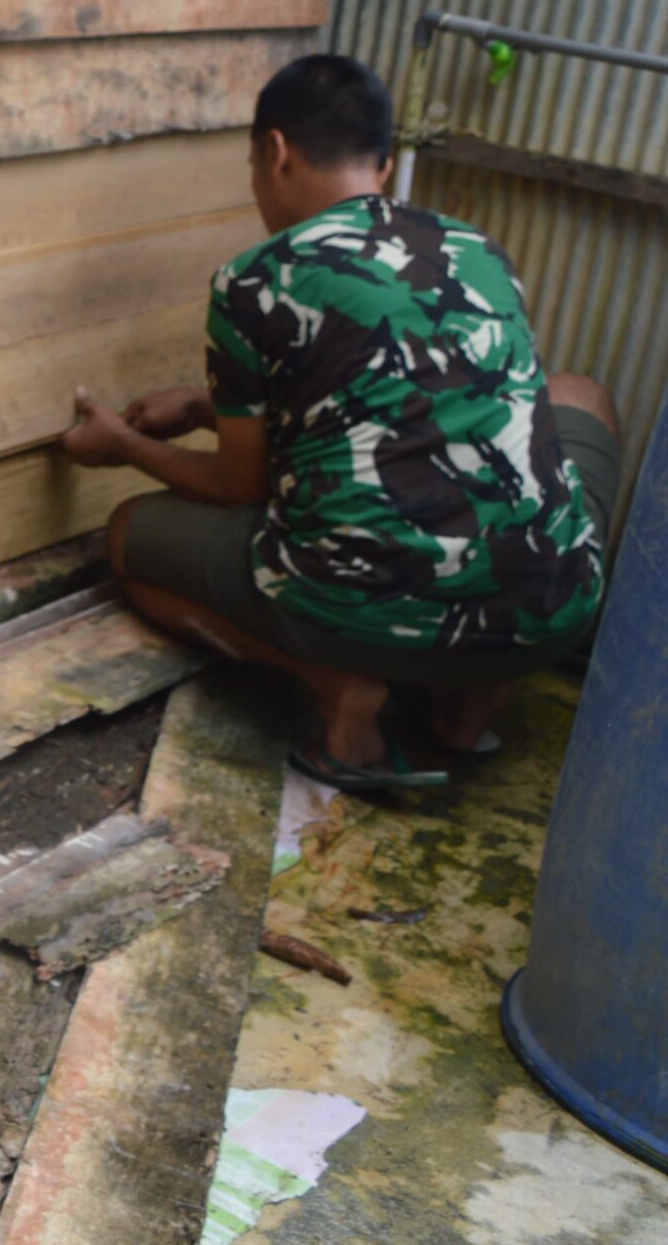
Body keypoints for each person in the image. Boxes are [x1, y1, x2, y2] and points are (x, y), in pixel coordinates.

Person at [61, 55, 618, 792]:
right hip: (549, 617)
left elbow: (237, 484)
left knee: (130, 535)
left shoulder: (253, 281)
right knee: (580, 393)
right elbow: (400, 399)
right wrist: (202, 405)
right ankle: (469, 707)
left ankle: (336, 688)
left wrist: (125, 446)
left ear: (275, 152)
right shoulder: (478, 250)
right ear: (383, 165)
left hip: (366, 614)